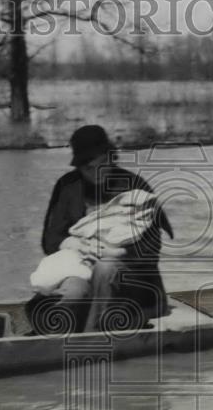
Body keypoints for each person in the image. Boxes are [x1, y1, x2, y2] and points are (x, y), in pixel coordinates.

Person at [26, 124, 174, 334]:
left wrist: (115, 252)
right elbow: (50, 240)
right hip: (82, 267)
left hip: (133, 280)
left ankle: (92, 338)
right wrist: (73, 243)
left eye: (102, 164)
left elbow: (151, 248)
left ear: (111, 157)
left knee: (105, 268)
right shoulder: (67, 186)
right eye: (88, 168)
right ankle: (47, 333)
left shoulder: (135, 186)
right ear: (78, 166)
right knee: (74, 292)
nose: (97, 173)